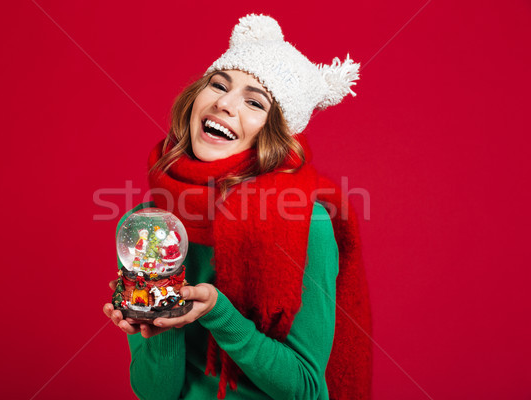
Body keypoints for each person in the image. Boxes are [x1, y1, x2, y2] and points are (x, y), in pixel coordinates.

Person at [103, 14, 372, 400]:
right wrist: (163, 325)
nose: (224, 104)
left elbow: (308, 390)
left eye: (253, 102)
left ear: (274, 134)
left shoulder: (304, 223)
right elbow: (155, 393)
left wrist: (218, 313)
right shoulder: (146, 227)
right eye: (218, 84)